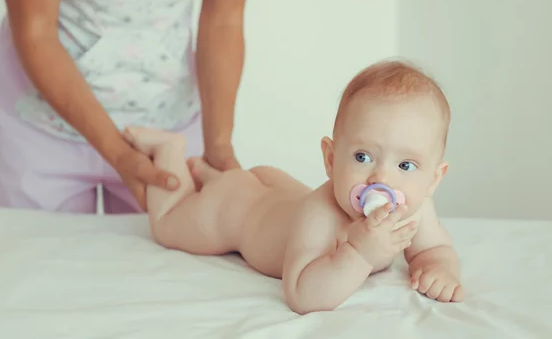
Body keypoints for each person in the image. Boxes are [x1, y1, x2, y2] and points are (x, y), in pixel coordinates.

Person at [124, 60, 465, 314]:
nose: (381, 179)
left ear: (434, 178)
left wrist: (437, 268)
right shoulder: (319, 213)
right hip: (236, 211)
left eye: (406, 165)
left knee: (245, 186)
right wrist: (359, 253)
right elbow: (302, 295)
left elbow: (432, 250)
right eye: (362, 156)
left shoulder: (416, 211)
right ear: (331, 159)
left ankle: (210, 175)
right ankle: (168, 151)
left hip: (274, 188)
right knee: (168, 225)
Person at [0, 0, 257, 213]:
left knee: (164, 255)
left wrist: (219, 147)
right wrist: (118, 153)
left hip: (166, 128)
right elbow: (36, 32)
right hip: (45, 130)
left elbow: (225, 19)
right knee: (41, 255)